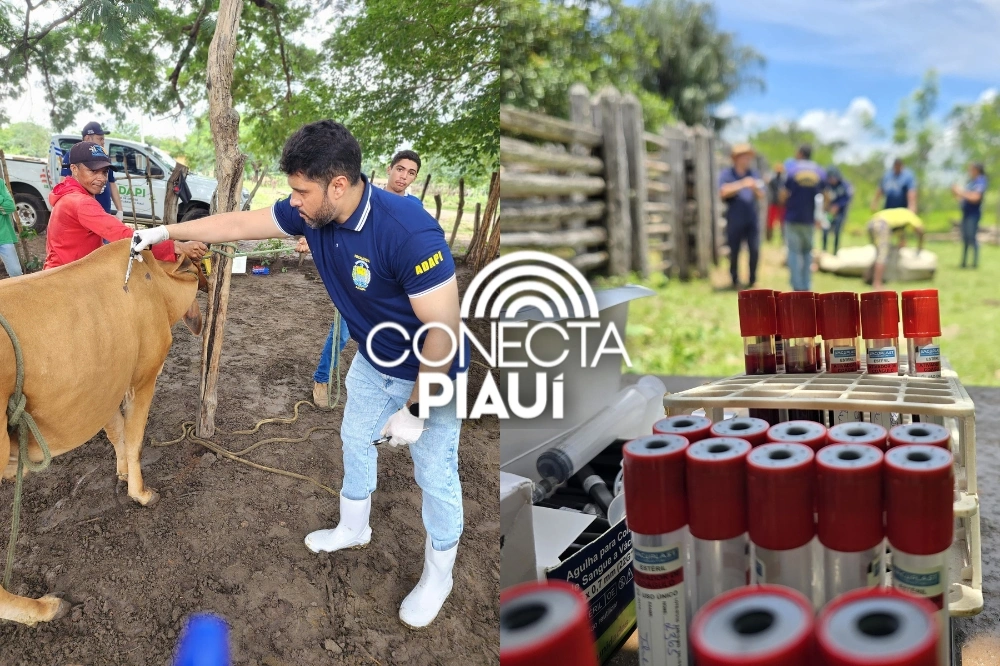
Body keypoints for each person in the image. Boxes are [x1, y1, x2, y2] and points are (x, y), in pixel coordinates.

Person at [131, 120, 466, 629]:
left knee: (435, 474)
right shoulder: (314, 213)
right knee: (354, 437)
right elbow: (238, 225)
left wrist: (417, 409)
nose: (294, 201)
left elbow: (443, 329)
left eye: (301, 191)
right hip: (375, 361)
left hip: (431, 372)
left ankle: (439, 572)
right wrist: (165, 232)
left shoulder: (407, 231)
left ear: (338, 184)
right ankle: (353, 528)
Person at [309, 149, 427, 406]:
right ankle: (322, 378)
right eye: (400, 169)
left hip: (394, 286)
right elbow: (334, 225)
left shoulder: (415, 206)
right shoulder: (364, 196)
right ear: (389, 168)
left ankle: (394, 387)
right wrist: (310, 240)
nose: (403, 176)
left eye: (411, 173)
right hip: (358, 278)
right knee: (341, 332)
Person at [44, 142, 206, 269]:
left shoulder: (68, 195)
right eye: (93, 171)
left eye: (104, 172)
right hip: (68, 280)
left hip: (62, 271)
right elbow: (124, 237)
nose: (101, 178)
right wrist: (177, 247)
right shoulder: (80, 202)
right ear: (74, 169)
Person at [718, 143, 764, 289]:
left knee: (754, 249)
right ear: (736, 158)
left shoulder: (753, 173)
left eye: (748, 157)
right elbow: (723, 191)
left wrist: (755, 188)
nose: (747, 160)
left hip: (751, 218)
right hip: (735, 218)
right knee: (734, 250)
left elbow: (761, 195)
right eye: (744, 157)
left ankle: (752, 279)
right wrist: (742, 184)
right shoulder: (728, 174)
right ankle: (734, 279)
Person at [782, 144, 826, 291]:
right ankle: (806, 285)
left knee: (794, 251)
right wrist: (821, 215)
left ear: (800, 153)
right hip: (809, 219)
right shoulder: (819, 171)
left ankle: (796, 285)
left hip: (792, 217)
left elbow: (783, 193)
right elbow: (825, 195)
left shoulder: (792, 169)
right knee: (807, 251)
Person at [61, 122, 125, 220]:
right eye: (100, 138)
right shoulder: (73, 156)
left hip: (104, 212)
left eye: (103, 138)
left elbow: (111, 183)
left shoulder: (104, 156)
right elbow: (64, 184)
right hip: (84, 214)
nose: (103, 142)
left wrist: (119, 210)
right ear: (87, 138)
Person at [866, 208, 924, 290]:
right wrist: (920, 247)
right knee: (882, 255)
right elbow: (920, 231)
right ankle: (877, 283)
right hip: (881, 224)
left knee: (879, 253)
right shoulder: (912, 216)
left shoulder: (902, 218)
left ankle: (868, 277)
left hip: (871, 223)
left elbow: (901, 239)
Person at [952, 162, 987, 269]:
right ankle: (964, 263)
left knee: (972, 238)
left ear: (976, 169)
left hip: (973, 214)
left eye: (971, 169)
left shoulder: (980, 180)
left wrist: (961, 192)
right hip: (966, 213)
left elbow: (976, 197)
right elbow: (963, 198)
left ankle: (974, 264)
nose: (969, 171)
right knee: (965, 238)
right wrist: (955, 192)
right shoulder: (971, 182)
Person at [822, 167, 853, 256]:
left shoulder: (844, 185)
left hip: (840, 212)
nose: (832, 180)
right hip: (829, 212)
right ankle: (824, 250)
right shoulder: (827, 185)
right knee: (825, 229)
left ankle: (835, 252)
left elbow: (847, 198)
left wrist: (838, 206)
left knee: (837, 231)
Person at [0, 178, 23, 278]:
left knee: (16, 272)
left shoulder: (0, 183)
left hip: (4, 235)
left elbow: (11, 206)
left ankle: (21, 293)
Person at [766, 163, 785, 242]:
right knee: (770, 221)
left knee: (782, 222)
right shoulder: (773, 180)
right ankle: (769, 237)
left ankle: (783, 238)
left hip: (781, 203)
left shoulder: (783, 181)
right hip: (773, 202)